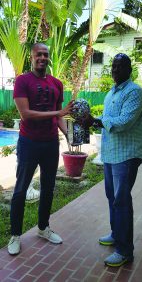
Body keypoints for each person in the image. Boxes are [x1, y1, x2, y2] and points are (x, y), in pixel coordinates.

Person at [79, 53, 142, 267]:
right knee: (112, 197)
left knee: (121, 201)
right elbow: (108, 122)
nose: (115, 70)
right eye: (113, 66)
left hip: (126, 156)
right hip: (111, 155)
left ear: (129, 70)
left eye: (120, 66)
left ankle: (125, 251)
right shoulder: (111, 93)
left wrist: (96, 121)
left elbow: (124, 122)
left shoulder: (134, 92)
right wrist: (92, 122)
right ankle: (117, 234)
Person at [8, 43, 73, 255]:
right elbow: (26, 114)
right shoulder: (22, 81)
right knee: (20, 189)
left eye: (45, 54)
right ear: (32, 57)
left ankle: (43, 228)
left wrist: (67, 134)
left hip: (50, 144)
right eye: (39, 54)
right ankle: (15, 235)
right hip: (29, 143)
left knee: (48, 187)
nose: (42, 58)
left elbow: (59, 115)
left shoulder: (57, 83)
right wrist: (58, 114)